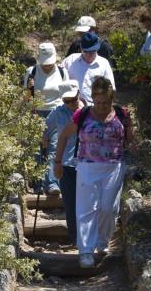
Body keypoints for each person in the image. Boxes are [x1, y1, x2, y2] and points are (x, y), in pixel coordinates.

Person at [53, 77, 134, 268]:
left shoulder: (121, 114)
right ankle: (86, 251)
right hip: (87, 166)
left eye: (105, 102)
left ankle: (102, 241)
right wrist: (58, 162)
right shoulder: (82, 115)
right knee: (86, 209)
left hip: (114, 167)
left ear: (111, 99)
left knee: (108, 208)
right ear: (93, 99)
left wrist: (131, 132)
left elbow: (130, 140)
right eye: (98, 102)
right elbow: (63, 136)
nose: (101, 106)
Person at [23, 42, 69, 194]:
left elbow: (66, 94)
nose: (48, 65)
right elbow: (26, 99)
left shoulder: (62, 72)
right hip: (36, 112)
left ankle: (53, 183)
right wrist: (29, 88)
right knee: (36, 150)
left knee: (54, 148)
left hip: (56, 113)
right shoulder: (31, 71)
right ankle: (38, 184)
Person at [44, 80, 84, 245]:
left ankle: (88, 237)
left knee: (87, 203)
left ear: (79, 94)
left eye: (74, 99)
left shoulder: (90, 111)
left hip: (87, 163)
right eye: (67, 101)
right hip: (66, 164)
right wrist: (44, 136)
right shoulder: (58, 112)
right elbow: (45, 127)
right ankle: (76, 239)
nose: (71, 103)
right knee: (70, 203)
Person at [63, 32, 115, 106]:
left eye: (92, 51)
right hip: (73, 106)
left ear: (97, 48)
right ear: (81, 47)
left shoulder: (104, 63)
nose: (89, 54)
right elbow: (59, 79)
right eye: (86, 51)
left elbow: (111, 88)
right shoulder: (70, 61)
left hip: (96, 107)